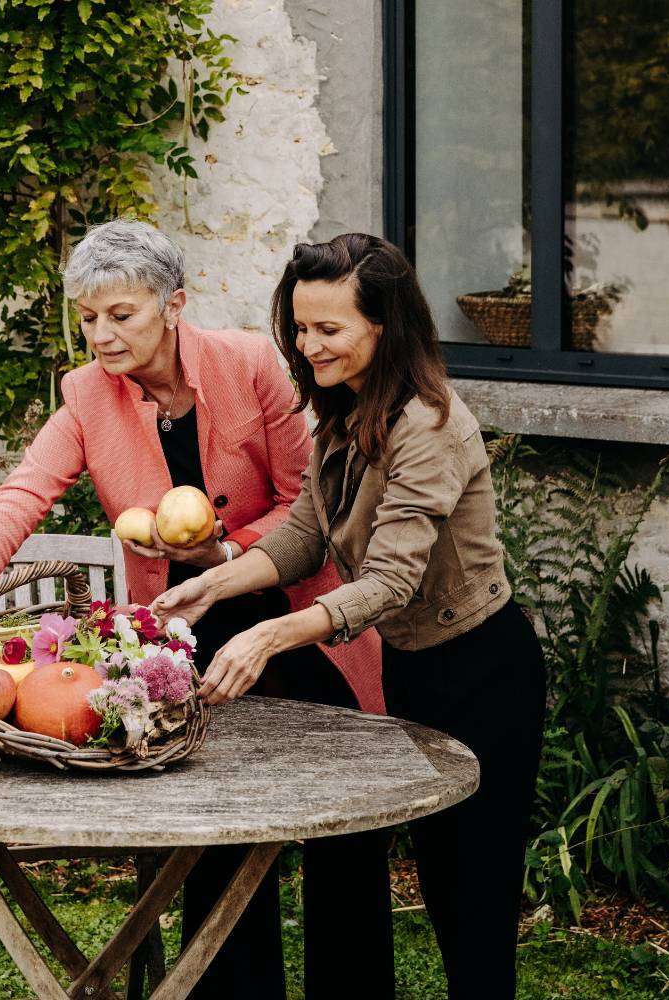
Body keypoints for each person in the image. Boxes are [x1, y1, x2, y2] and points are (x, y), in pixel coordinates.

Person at [0, 219, 386, 999]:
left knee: (343, 819)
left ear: (173, 304)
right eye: (87, 318)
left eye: (121, 315)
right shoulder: (86, 395)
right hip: (191, 634)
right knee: (213, 823)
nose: (101, 335)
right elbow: (23, 493)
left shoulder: (250, 366)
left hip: (296, 616)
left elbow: (311, 502)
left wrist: (230, 552)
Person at [152, 233, 547, 999]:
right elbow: (305, 533)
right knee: (439, 880)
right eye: (301, 327)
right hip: (415, 669)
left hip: (484, 672)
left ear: (385, 327)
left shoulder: (429, 427)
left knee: (474, 905)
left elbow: (392, 580)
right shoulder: (345, 410)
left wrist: (273, 633)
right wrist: (216, 584)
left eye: (329, 329)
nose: (308, 345)